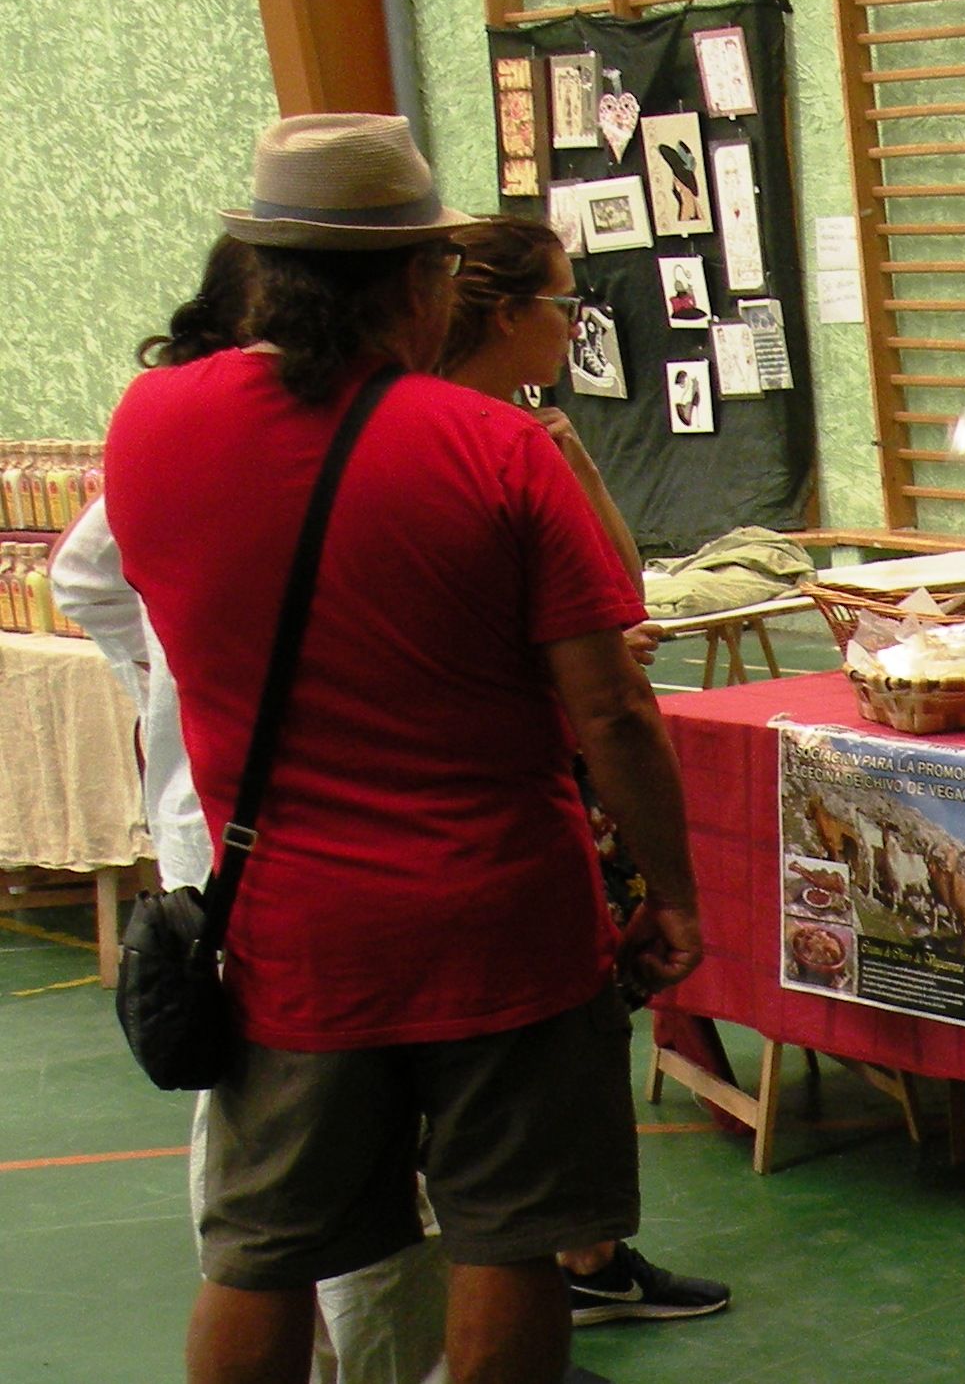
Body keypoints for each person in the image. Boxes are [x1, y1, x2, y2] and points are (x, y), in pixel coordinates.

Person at [100, 114, 701, 1384]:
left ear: (265, 271)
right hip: (503, 921)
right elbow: (612, 709)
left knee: (263, 1254)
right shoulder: (496, 448)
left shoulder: (152, 426)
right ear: (423, 282)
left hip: (289, 932)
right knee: (507, 1243)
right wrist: (673, 891)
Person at [55, 242, 453, 1384]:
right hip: (241, 835)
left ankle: (356, 1350)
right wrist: (174, 677)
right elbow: (87, 576)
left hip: (285, 823)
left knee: (295, 1148)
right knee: (298, 1146)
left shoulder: (321, 422)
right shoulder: (192, 437)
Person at [438, 219, 727, 1334]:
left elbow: (619, 596)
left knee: (584, 1030)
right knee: (529, 1081)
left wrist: (581, 461)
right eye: (562, 304)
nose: (573, 326)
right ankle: (557, 1264)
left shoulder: (529, 431)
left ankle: (594, 1252)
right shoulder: (457, 441)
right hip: (529, 784)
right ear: (506, 313)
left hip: (563, 776)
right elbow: (599, 680)